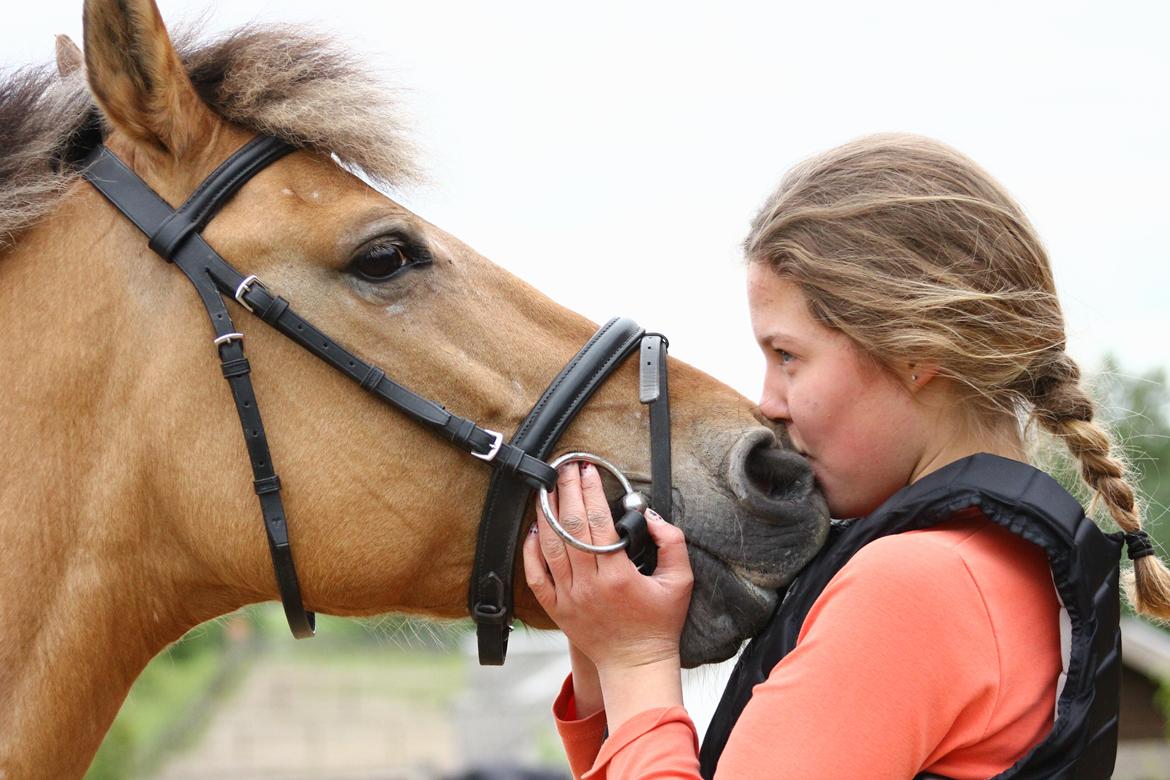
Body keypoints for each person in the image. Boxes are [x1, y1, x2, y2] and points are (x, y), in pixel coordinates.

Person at [521, 133, 1170, 779]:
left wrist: (636, 660)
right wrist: (606, 663)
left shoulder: (917, 586)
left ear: (917, 350)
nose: (767, 400)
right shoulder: (1010, 567)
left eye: (787, 356)